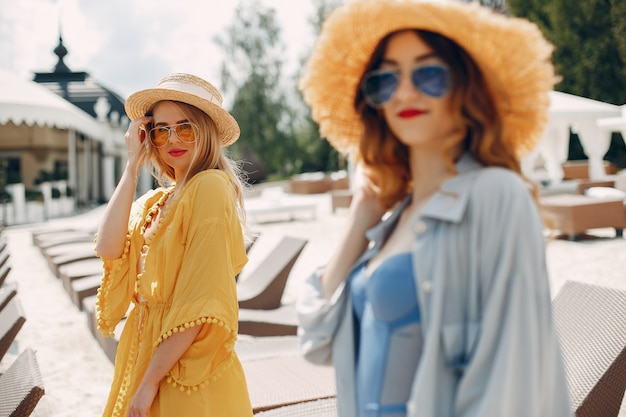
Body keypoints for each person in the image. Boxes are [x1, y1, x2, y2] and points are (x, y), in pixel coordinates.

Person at [296, 1, 573, 416]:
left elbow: (510, 383)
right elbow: (316, 341)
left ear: (466, 87)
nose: (405, 91)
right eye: (387, 79)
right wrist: (360, 220)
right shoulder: (395, 217)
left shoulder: (498, 195)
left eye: (428, 73)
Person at [94, 73, 253, 417]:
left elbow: (201, 301)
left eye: (185, 127)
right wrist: (132, 167)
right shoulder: (157, 201)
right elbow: (108, 248)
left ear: (206, 131)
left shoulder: (209, 188)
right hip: (144, 351)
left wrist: (150, 381)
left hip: (184, 368)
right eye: (160, 129)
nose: (172, 139)